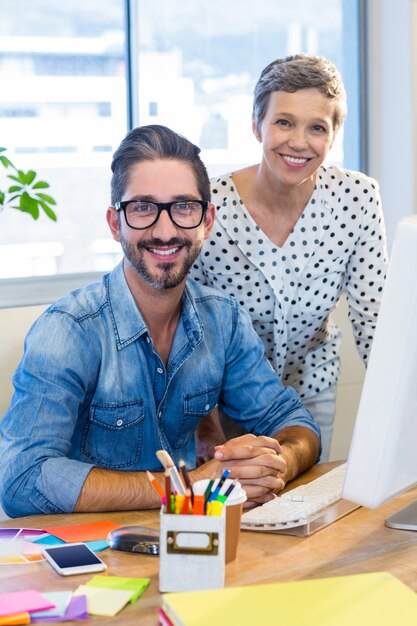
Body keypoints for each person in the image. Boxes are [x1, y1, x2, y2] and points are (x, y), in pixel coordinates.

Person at [0, 124, 320, 518]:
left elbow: (292, 421)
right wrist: (189, 487)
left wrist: (276, 464)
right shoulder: (68, 330)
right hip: (93, 555)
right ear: (116, 223)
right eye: (143, 208)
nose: (164, 230)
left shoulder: (224, 320)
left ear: (207, 221)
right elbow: (20, 479)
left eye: (184, 207)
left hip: (188, 540)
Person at [192, 54, 388, 462]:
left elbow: (375, 322)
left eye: (317, 127)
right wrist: (205, 424)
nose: (299, 142)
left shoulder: (358, 199)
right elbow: (188, 326)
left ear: (333, 134)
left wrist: (401, 413)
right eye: (284, 122)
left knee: (302, 506)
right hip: (222, 398)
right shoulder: (208, 205)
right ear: (256, 125)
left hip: (311, 386)